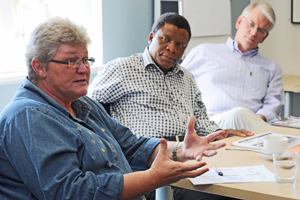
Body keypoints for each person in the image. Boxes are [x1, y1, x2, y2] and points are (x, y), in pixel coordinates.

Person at [0, 17, 229, 200]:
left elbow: (131, 146)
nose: (83, 69)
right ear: (39, 67)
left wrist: (178, 150)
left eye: (86, 60)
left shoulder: (82, 104)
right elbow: (72, 192)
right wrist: (153, 178)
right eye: (71, 61)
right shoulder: (28, 117)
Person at [88, 13, 253, 142]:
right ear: (151, 37)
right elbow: (87, 108)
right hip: (146, 153)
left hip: (189, 149)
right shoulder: (122, 68)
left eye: (180, 45)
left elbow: (200, 118)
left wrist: (220, 133)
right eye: (165, 39)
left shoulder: (186, 77)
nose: (172, 49)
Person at [181, 2, 284, 131]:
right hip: (210, 124)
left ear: (264, 37)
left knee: (242, 115)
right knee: (238, 113)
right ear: (239, 22)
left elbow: (273, 106)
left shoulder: (272, 68)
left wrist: (255, 120)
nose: (253, 33)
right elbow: (176, 84)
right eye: (251, 24)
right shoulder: (204, 52)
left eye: (261, 30)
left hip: (249, 129)